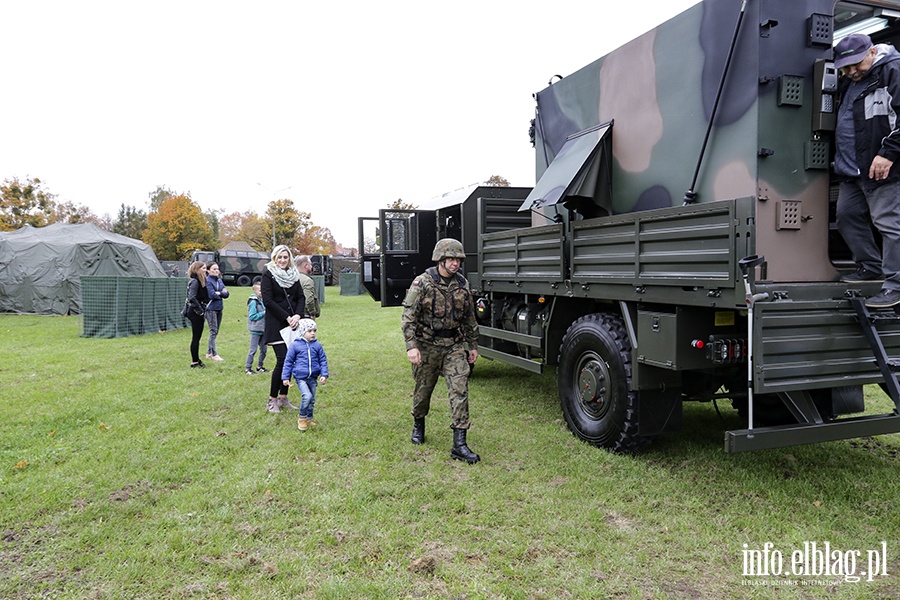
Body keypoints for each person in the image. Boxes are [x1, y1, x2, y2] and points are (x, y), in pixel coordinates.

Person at [833, 33, 900, 308]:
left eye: (856, 65)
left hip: (883, 168)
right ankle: (870, 266)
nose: (851, 72)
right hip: (853, 169)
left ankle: (896, 287)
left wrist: (888, 153)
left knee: (890, 225)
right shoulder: (849, 81)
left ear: (872, 52)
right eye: (845, 68)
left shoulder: (893, 71)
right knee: (846, 215)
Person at [401, 238, 480, 463]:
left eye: (458, 259)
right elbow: (408, 317)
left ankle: (459, 444)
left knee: (459, 389)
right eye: (451, 259)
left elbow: (469, 318)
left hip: (454, 346)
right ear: (440, 260)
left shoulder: (462, 284)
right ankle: (418, 423)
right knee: (423, 391)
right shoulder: (422, 283)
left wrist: (472, 345)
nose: (455, 263)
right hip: (426, 346)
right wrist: (411, 347)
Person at [261, 244, 306, 413]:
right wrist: (286, 317)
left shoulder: (294, 275)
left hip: (293, 324)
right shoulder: (268, 273)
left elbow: (300, 297)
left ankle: (283, 397)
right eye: (279, 257)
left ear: (290, 259)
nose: (282, 260)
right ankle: (272, 400)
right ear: (274, 258)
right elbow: (268, 300)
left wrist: (297, 316)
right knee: (282, 360)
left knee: (292, 360)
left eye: (285, 257)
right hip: (277, 323)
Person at [282, 318, 329, 431]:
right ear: (302, 332)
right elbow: (288, 362)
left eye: (314, 330)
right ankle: (302, 418)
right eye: (309, 331)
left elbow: (323, 360)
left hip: (313, 377)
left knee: (312, 399)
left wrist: (324, 374)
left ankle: (309, 418)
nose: (313, 333)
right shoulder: (295, 346)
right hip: (301, 377)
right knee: (307, 396)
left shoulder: (317, 346)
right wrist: (285, 377)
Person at [185, 261, 210, 368]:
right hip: (195, 312)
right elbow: (192, 297)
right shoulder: (195, 282)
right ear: (197, 269)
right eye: (203, 268)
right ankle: (195, 361)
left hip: (198, 310)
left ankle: (196, 359)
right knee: (196, 337)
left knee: (197, 337)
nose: (206, 270)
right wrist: (200, 310)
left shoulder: (201, 281)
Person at [204, 262, 229, 360]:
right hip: (211, 309)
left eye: (217, 269)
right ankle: (214, 354)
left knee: (216, 331)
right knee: (213, 331)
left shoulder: (219, 280)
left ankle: (209, 352)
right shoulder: (208, 281)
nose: (216, 271)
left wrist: (220, 293)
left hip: (219, 308)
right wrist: (219, 293)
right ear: (208, 270)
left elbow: (226, 294)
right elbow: (211, 295)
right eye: (214, 269)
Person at [244, 281, 268, 375]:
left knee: (264, 350)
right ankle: (248, 368)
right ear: (255, 291)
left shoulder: (263, 300)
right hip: (255, 329)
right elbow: (252, 316)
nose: (262, 292)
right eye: (260, 290)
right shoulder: (253, 301)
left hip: (263, 329)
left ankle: (260, 366)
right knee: (253, 350)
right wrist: (264, 313)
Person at [294, 255, 321, 319]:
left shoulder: (291, 278)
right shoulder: (307, 281)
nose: (311, 267)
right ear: (306, 266)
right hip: (305, 315)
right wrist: (312, 313)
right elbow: (309, 300)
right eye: (310, 264)